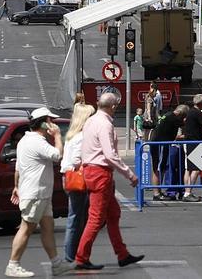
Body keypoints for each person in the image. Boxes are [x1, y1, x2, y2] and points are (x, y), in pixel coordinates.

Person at [75, 92, 144, 271]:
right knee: (96, 218)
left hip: (92, 170)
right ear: (112, 107)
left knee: (113, 213)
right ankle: (81, 257)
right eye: (116, 106)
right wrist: (130, 174)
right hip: (100, 173)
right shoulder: (105, 124)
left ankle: (122, 254)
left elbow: (85, 146)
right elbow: (110, 154)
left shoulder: (90, 121)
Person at [6, 107, 74, 278]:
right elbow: (58, 155)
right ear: (43, 123)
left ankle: (56, 264)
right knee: (26, 229)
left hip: (41, 193)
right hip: (35, 193)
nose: (53, 124)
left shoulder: (26, 140)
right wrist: (58, 136)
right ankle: (13, 264)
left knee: (48, 228)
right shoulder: (37, 141)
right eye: (51, 121)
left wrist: (16, 186)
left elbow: (18, 168)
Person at [60, 103, 95, 263]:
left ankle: (73, 254)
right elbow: (76, 160)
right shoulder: (81, 137)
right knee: (76, 218)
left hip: (68, 176)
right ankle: (72, 255)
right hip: (77, 177)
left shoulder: (71, 135)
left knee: (75, 217)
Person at [152, 105, 189, 201]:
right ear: (180, 114)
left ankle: (158, 191)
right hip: (160, 144)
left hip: (159, 143)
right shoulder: (173, 118)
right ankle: (156, 193)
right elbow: (185, 124)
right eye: (184, 116)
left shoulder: (168, 115)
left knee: (161, 167)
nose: (183, 118)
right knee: (158, 168)